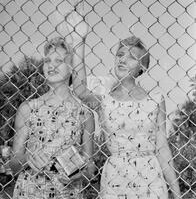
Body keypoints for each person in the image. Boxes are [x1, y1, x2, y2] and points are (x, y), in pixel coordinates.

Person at [73, 36, 181, 199]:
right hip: (115, 177)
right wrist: (78, 40)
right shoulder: (105, 99)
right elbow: (80, 90)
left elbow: (162, 148)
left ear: (142, 68)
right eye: (120, 54)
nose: (123, 59)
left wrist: (177, 194)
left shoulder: (155, 99)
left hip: (150, 178)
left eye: (131, 57)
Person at [10, 29, 95, 198]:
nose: (51, 65)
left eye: (59, 60)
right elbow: (13, 163)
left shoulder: (84, 114)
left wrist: (82, 174)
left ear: (72, 68)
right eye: (47, 60)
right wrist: (28, 157)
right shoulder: (28, 108)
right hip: (30, 191)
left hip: (67, 193)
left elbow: (91, 166)